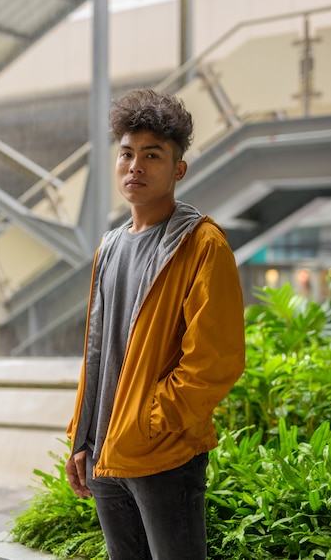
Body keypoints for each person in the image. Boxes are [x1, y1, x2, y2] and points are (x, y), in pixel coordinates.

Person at [65, 88, 245, 560]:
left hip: (164, 455)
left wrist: (150, 422)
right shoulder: (109, 246)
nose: (135, 167)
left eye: (152, 155)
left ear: (178, 168)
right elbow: (100, 351)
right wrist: (84, 436)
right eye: (126, 154)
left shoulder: (203, 245)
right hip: (107, 453)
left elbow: (215, 361)